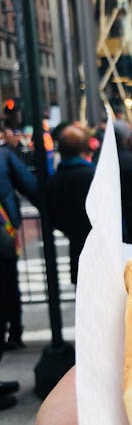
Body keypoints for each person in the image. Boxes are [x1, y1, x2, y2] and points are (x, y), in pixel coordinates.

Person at [0, 142, 38, 408]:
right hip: (1, 244)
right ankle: (14, 331)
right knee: (5, 298)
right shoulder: (3, 155)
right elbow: (31, 186)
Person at [46, 125, 95, 285]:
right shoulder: (94, 175)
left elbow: (53, 216)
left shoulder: (56, 180)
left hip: (77, 247)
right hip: (102, 250)